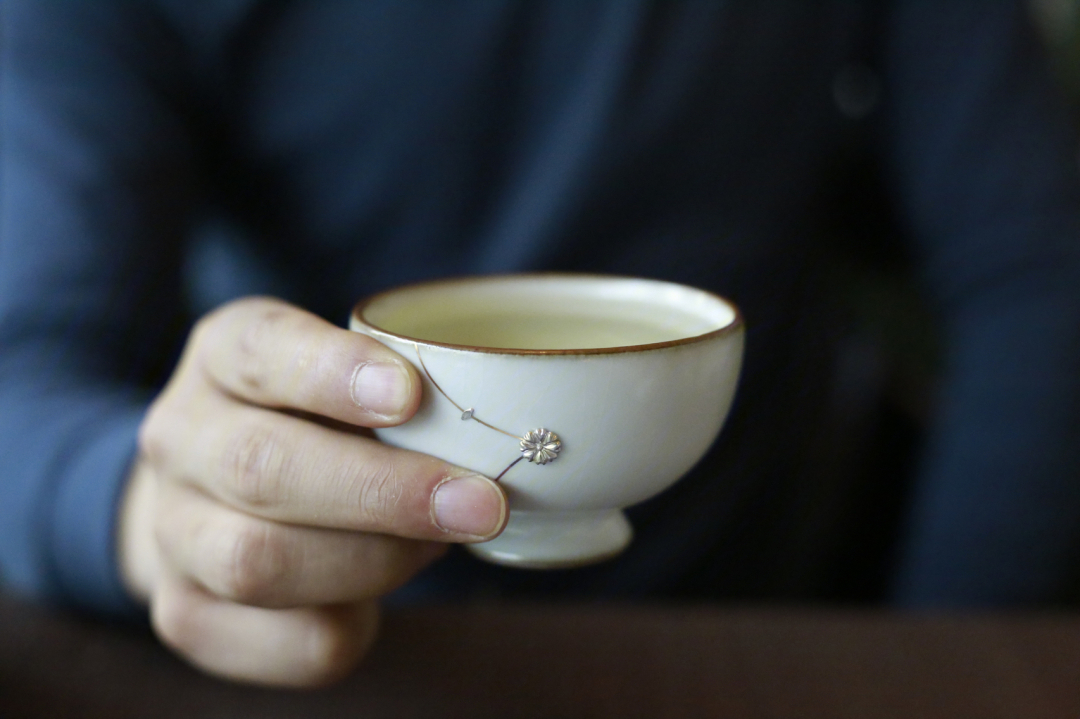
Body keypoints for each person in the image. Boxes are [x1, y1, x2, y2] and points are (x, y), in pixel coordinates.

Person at [3, 0, 1080, 687]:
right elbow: (25, 364)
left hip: (764, 619)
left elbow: (1036, 272)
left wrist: (932, 655)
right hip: (333, 627)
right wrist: (146, 509)